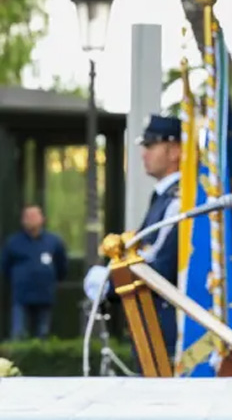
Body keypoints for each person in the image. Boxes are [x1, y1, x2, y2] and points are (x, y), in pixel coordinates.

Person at [84, 114, 182, 360]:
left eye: (151, 145)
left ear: (175, 151)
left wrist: (109, 284)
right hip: (151, 324)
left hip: (169, 328)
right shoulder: (164, 197)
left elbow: (160, 267)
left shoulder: (180, 199)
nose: (143, 153)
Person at [2, 204, 67, 339]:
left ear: (42, 219)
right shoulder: (13, 242)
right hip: (21, 296)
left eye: (34, 216)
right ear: (22, 220)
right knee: (19, 335)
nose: (31, 219)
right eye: (27, 217)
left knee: (43, 335)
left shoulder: (53, 241)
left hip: (44, 296)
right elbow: (5, 266)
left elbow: (61, 265)